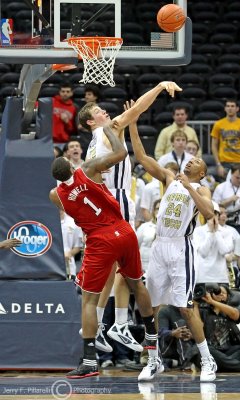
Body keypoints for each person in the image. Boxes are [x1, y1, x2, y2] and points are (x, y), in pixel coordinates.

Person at [77, 81, 182, 377]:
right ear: (90, 121)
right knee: (129, 272)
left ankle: (105, 326)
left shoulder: (90, 148)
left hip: (103, 210)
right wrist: (160, 86)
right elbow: (138, 108)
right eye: (98, 111)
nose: (104, 111)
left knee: (115, 270)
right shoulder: (107, 129)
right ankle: (119, 323)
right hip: (119, 202)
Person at [49, 125, 161, 381]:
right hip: (124, 230)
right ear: (71, 164)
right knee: (137, 285)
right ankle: (151, 339)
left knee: (88, 301)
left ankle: (89, 360)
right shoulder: (88, 170)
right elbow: (122, 153)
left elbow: (67, 194)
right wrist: (108, 131)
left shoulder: (56, 195)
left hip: (99, 240)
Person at [127, 102, 217, 382]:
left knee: (185, 308)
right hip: (159, 247)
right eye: (188, 158)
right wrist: (132, 121)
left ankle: (207, 360)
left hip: (181, 248)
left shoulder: (200, 187)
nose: (190, 160)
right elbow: (141, 156)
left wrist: (190, 186)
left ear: (201, 172)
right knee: (150, 307)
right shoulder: (168, 177)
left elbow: (209, 213)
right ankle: (154, 361)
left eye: (196, 161)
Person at [199, 285, 240, 373]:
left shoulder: (229, 312)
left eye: (224, 293)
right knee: (206, 350)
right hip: (213, 350)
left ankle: (219, 365)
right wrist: (210, 301)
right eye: (218, 292)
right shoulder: (203, 311)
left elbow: (235, 314)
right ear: (211, 294)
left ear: (228, 296)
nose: (222, 295)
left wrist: (213, 302)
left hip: (229, 350)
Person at [193, 202, 234, 286]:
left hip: (220, 277)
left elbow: (224, 251)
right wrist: (211, 233)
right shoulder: (197, 231)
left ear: (218, 215)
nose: (212, 216)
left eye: (215, 213)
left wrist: (216, 232)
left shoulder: (227, 232)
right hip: (202, 277)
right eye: (209, 213)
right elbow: (203, 253)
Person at [211, 100, 240, 179]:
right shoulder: (218, 124)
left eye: (232, 106)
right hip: (224, 162)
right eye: (228, 106)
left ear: (237, 108)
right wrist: (218, 165)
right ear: (225, 108)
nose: (230, 108)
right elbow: (214, 146)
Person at [212, 163, 240, 234]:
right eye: (237, 178)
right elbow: (214, 207)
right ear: (231, 174)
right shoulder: (221, 188)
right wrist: (228, 201)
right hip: (226, 224)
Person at [136, 200, 160, 274]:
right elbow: (136, 245)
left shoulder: (170, 230)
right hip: (144, 268)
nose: (160, 211)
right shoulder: (144, 227)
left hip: (160, 268)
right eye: (157, 208)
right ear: (153, 211)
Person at [60, 210, 83, 280]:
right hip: (50, 266)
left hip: (69, 266)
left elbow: (78, 246)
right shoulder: (47, 221)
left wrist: (69, 253)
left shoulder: (73, 223)